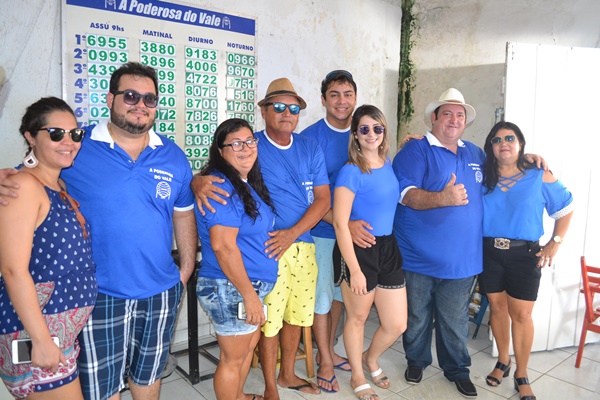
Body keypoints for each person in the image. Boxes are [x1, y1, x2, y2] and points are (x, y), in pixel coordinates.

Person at [0, 62, 197, 400]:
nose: (140, 105)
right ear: (110, 98)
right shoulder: (78, 145)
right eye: (130, 96)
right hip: (98, 295)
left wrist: (186, 268)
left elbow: (183, 213)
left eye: (149, 99)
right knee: (101, 388)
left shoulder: (173, 156)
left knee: (149, 374)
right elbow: (31, 176)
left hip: (161, 290)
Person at [193, 78, 330, 399]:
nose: (286, 113)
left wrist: (293, 234)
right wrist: (197, 180)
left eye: (293, 108)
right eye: (278, 106)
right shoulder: (233, 168)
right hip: (243, 275)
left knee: (262, 336)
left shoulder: (255, 173)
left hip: (282, 260)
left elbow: (323, 199)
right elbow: (222, 244)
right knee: (240, 350)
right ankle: (265, 389)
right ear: (264, 111)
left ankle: (263, 385)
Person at [0, 97, 97, 399]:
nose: (69, 142)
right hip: (36, 331)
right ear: (31, 137)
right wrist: (40, 340)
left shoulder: (58, 186)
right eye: (56, 133)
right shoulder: (24, 187)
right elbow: (13, 270)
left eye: (75, 134)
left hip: (59, 332)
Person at [392, 88, 485, 399]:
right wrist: (444, 198)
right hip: (418, 256)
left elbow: (504, 171)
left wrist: (531, 160)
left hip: (463, 259)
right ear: (434, 118)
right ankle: (416, 361)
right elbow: (405, 195)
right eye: (447, 113)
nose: (454, 120)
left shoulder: (476, 154)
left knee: (455, 319)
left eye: (460, 115)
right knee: (417, 315)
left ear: (465, 122)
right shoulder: (416, 150)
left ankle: (457, 369)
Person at [479, 121, 573, 400]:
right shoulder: (483, 175)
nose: (503, 143)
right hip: (489, 252)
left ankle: (522, 373)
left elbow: (565, 208)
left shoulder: (538, 174)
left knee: (521, 315)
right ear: (491, 147)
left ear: (520, 144)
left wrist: (555, 243)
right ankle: (503, 361)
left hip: (524, 255)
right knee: (497, 310)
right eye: (497, 140)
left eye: (510, 138)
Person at [195, 118, 278, 400]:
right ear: (220, 151)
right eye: (236, 144)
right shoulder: (221, 186)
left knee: (246, 349)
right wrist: (249, 295)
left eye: (250, 141)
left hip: (246, 285)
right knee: (232, 358)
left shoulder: (244, 184)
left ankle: (239, 396)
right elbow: (223, 247)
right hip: (231, 286)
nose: (246, 148)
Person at [333, 105, 407, 400]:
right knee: (358, 318)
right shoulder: (350, 171)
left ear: (384, 131)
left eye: (377, 128)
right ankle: (358, 375)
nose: (371, 134)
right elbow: (340, 224)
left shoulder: (387, 162)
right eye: (364, 129)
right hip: (359, 250)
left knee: (397, 323)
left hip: (388, 246)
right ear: (355, 134)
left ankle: (370, 357)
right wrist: (355, 270)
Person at [300, 70, 358, 392]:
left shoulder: (363, 131)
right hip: (323, 232)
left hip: (353, 233)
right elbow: (311, 199)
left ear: (355, 98)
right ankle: (324, 360)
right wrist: (342, 224)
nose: (341, 101)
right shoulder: (310, 139)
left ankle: (330, 350)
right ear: (323, 99)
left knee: (339, 296)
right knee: (322, 297)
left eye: (347, 94)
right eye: (334, 94)